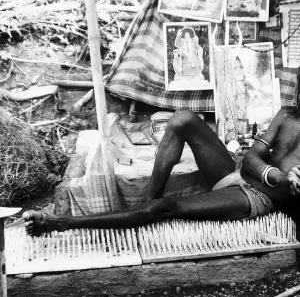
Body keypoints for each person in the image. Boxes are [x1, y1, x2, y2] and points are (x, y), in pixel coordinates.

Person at [23, 105, 300, 237]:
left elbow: (290, 199)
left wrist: (293, 186)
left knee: (167, 207)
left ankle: (57, 223)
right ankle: (146, 203)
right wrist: (275, 175)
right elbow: (251, 157)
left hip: (256, 199)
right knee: (183, 119)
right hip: (238, 174)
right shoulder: (288, 114)